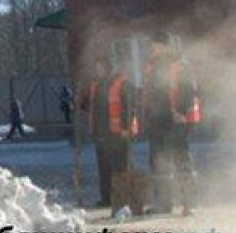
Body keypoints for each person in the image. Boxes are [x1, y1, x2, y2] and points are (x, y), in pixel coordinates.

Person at [142, 32, 201, 216]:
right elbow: (150, 93)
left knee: (181, 161)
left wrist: (181, 112)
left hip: (176, 121)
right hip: (157, 121)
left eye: (154, 45)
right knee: (159, 164)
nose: (151, 48)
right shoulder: (151, 67)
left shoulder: (179, 65)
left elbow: (189, 90)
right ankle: (163, 204)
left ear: (164, 46)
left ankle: (189, 204)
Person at [81, 59, 137, 207]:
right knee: (104, 167)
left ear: (108, 68)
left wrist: (126, 127)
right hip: (101, 133)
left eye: (100, 67)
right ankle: (107, 198)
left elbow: (129, 106)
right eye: (97, 68)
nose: (98, 71)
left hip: (118, 133)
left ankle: (124, 199)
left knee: (121, 167)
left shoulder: (122, 83)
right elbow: (88, 105)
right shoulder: (96, 85)